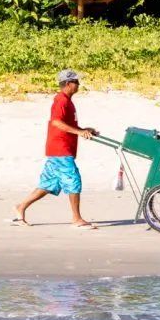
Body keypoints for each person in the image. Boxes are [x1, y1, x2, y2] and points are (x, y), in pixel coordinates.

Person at [13, 68, 99, 228]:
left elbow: (67, 124)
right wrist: (79, 132)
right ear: (68, 84)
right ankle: (76, 219)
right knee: (73, 180)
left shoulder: (68, 101)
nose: (79, 84)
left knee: (48, 184)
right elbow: (56, 122)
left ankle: (21, 207)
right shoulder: (61, 101)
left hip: (59, 149)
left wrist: (84, 130)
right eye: (76, 82)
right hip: (61, 149)